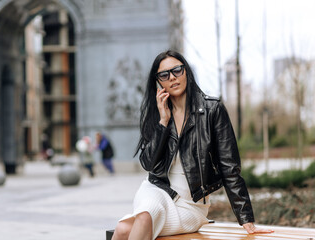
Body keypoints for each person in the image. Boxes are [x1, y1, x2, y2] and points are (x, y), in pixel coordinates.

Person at [111, 50, 273, 240]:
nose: (172, 78)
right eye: (164, 75)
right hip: (156, 190)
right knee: (130, 224)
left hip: (191, 204)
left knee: (126, 229)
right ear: (159, 82)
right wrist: (163, 123)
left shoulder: (212, 110)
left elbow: (229, 167)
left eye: (177, 70)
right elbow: (147, 163)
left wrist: (246, 219)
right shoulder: (157, 113)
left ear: (186, 71)